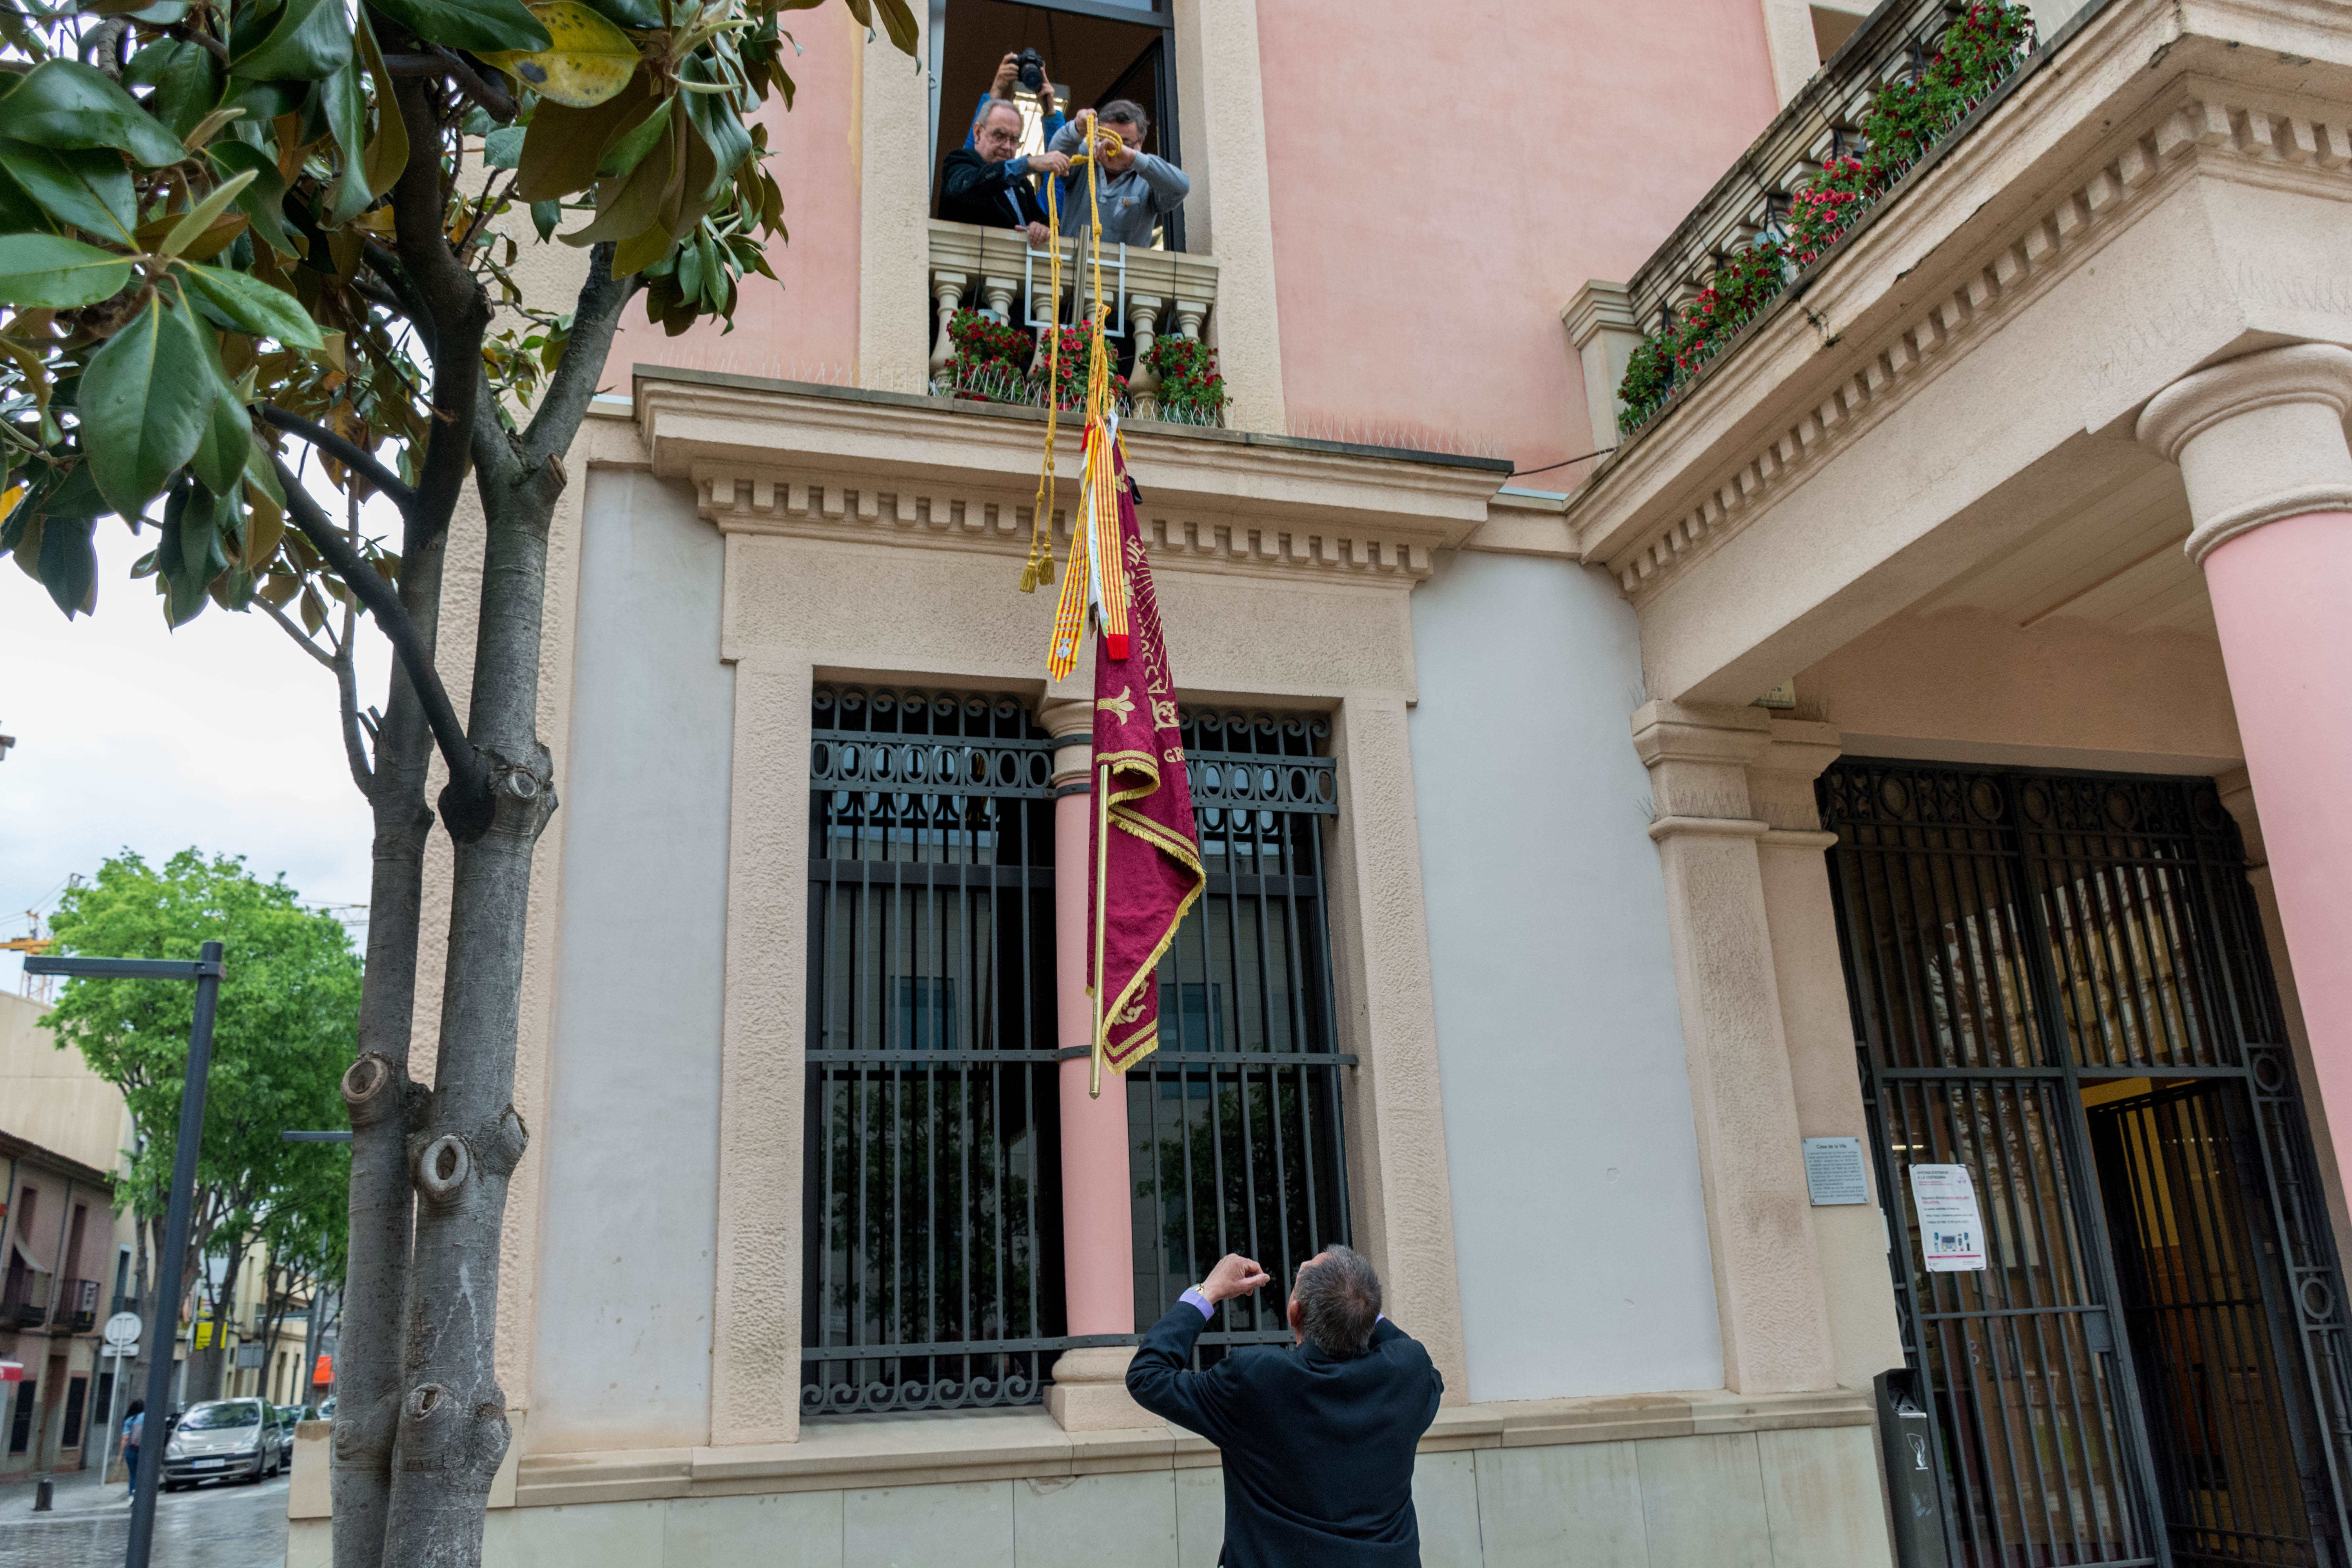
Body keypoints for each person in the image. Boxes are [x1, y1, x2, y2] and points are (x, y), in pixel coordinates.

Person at [1126, 1247, 1443, 1567]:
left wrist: (1207, 1292)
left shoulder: (1256, 1380)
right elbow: (1416, 1359)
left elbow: (1147, 1376)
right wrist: (1355, 1299)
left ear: (1295, 1313)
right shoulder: (1408, 1374)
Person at [1049, 102, 1189, 248]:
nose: (1114, 150)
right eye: (1106, 139)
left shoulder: (1149, 177)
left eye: (1124, 144)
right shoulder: (1085, 157)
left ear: (1140, 142)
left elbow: (1181, 187)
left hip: (1126, 271)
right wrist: (1077, 128)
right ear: (1097, 137)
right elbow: (1054, 156)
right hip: (1074, 268)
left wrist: (1130, 157)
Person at [940, 98, 1069, 247]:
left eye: (1014, 140)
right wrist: (1027, 163)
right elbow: (967, 188)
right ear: (977, 133)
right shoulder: (959, 161)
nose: (1007, 147)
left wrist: (1041, 229)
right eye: (999, 136)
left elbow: (1043, 221)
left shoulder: (1022, 185)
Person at [120, 1399, 144, 1499]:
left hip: (130, 1450)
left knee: (133, 1475)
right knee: (143, 1474)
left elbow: (125, 1438)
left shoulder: (129, 1420)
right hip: (143, 1450)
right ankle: (141, 1496)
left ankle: (132, 1496)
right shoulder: (145, 1416)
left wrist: (121, 1455)